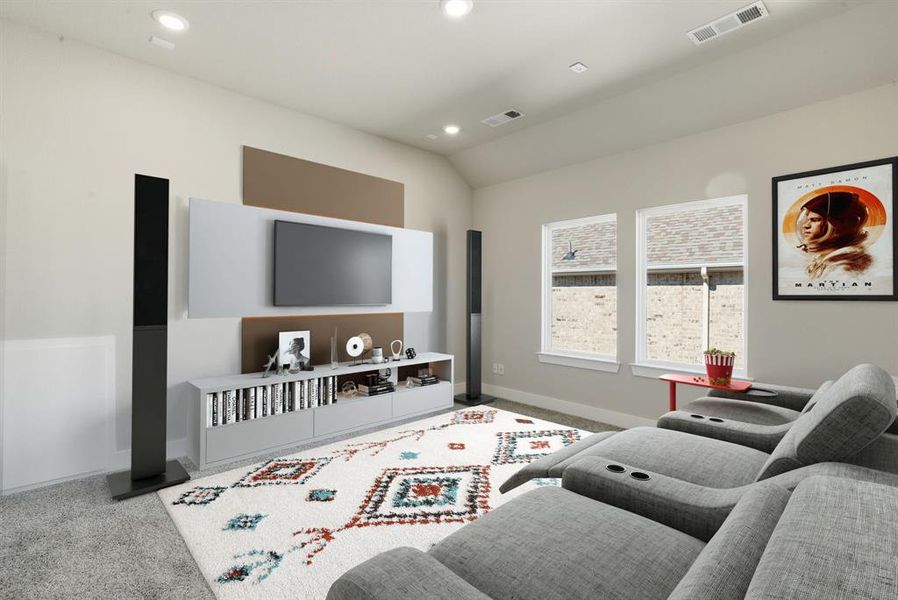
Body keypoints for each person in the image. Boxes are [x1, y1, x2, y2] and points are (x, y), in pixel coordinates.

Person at [796, 191, 872, 279]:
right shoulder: (823, 260)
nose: (806, 225)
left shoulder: (841, 271)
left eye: (815, 219)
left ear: (838, 226)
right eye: (808, 219)